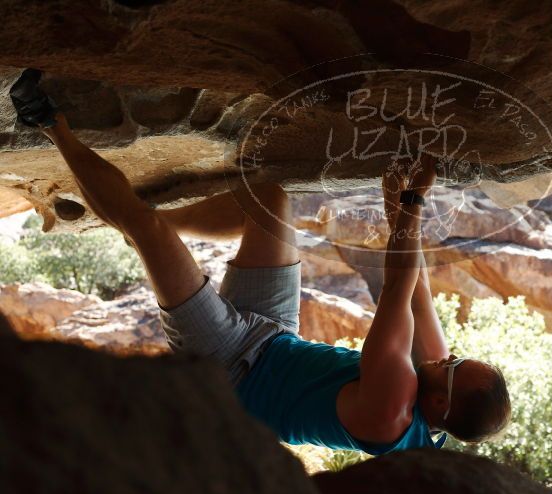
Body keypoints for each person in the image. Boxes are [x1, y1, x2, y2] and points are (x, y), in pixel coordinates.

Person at [10, 69, 511, 454]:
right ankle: (148, 226)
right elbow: (417, 290)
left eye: (454, 366)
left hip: (230, 373)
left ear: (441, 403)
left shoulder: (394, 408)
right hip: (274, 337)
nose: (448, 356)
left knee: (148, 228)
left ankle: (47, 123)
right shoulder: (435, 390)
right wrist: (393, 199)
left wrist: (415, 202)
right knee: (270, 202)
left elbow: (397, 290)